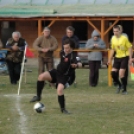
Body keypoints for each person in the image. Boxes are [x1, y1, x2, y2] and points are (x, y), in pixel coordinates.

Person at [30, 39, 82, 114]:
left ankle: (63, 109)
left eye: (67, 48)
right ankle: (38, 96)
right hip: (57, 72)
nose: (65, 49)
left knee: (59, 90)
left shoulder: (74, 56)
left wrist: (76, 65)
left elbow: (80, 64)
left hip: (65, 76)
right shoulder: (62, 52)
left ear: (72, 48)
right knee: (41, 76)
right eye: (64, 48)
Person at [107, 25, 133, 95]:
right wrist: (109, 59)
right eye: (114, 31)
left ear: (120, 31)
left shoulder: (124, 38)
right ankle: (119, 85)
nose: (115, 33)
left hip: (124, 57)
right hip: (117, 57)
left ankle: (124, 90)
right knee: (113, 73)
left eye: (116, 31)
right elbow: (112, 49)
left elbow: (130, 48)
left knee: (121, 74)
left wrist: (130, 58)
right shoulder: (113, 39)